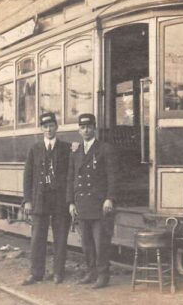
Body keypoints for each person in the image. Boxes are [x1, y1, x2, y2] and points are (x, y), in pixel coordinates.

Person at [67, 113, 117, 289]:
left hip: (99, 203)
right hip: (82, 203)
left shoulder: (104, 148)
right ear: (79, 130)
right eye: (82, 127)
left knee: (101, 241)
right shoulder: (76, 151)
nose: (86, 130)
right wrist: (71, 202)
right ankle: (91, 271)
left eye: (89, 127)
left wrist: (110, 198)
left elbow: (112, 176)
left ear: (94, 128)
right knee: (86, 242)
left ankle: (103, 275)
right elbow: (71, 178)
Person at [21, 112, 71, 285]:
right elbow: (28, 176)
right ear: (41, 129)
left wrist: (70, 200)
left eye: (51, 126)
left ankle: (58, 273)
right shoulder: (34, 149)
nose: (49, 129)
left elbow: (71, 176)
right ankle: (36, 273)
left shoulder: (66, 148)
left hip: (60, 201)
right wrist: (27, 200)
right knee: (37, 238)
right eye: (45, 126)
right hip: (39, 200)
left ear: (56, 127)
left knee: (61, 237)